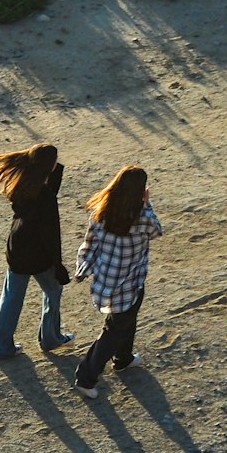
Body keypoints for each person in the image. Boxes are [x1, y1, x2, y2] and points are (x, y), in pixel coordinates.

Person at [73, 165, 163, 399]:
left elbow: (90, 243)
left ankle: (123, 358)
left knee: (127, 319)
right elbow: (157, 231)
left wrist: (83, 267)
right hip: (130, 283)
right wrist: (147, 204)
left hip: (106, 280)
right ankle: (86, 377)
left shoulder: (101, 211)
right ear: (140, 192)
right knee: (113, 329)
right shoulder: (142, 217)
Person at [0, 142, 75, 361]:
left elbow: (48, 191)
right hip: (38, 256)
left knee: (11, 298)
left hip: (16, 249)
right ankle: (51, 338)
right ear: (49, 166)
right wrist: (58, 265)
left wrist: (52, 168)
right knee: (53, 290)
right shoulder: (44, 196)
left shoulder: (23, 183)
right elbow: (50, 235)